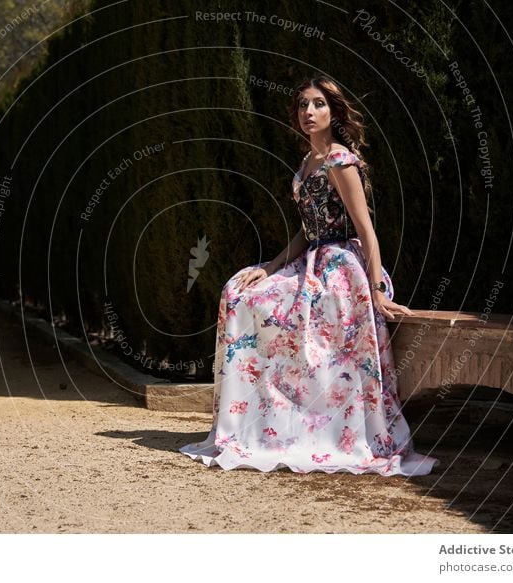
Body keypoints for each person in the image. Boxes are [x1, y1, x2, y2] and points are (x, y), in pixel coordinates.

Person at [179, 74, 439, 476]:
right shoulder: (308, 161)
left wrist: (376, 290)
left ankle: (319, 425)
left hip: (341, 267)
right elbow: (306, 230)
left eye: (318, 104)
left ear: (334, 111)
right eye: (302, 104)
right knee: (240, 292)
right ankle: (262, 420)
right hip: (312, 259)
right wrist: (270, 267)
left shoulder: (340, 159)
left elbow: (364, 227)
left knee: (286, 315)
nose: (308, 112)